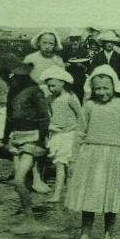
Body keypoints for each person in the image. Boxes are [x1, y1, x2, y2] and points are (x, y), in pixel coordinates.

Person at [65, 65, 120, 239]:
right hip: (91, 156)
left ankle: (108, 236)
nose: (102, 92)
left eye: (106, 88)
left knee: (112, 198)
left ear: (115, 87)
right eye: (97, 88)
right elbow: (80, 134)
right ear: (92, 88)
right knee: (89, 197)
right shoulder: (88, 106)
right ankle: (85, 234)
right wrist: (73, 160)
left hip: (116, 157)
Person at [0, 54, 52, 224]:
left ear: (17, 76)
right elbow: (8, 117)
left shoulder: (35, 91)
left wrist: (41, 141)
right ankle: (29, 212)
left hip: (32, 138)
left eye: (9, 78)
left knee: (18, 180)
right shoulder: (12, 92)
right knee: (21, 182)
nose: (8, 82)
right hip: (16, 138)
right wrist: (5, 139)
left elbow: (44, 118)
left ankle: (30, 218)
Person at [40, 66, 81, 204]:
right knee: (59, 164)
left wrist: (72, 128)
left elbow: (81, 118)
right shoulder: (49, 99)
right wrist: (50, 126)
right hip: (56, 135)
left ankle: (69, 193)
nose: (51, 89)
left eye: (53, 85)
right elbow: (47, 116)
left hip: (70, 135)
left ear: (62, 82)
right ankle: (59, 194)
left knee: (69, 165)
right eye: (48, 86)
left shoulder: (70, 97)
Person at [88, 30, 120, 97]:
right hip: (101, 89)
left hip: (116, 89)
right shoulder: (97, 56)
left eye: (111, 42)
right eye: (107, 42)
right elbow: (91, 73)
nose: (110, 44)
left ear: (114, 43)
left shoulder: (119, 57)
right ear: (104, 43)